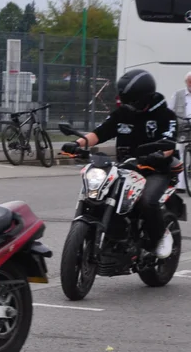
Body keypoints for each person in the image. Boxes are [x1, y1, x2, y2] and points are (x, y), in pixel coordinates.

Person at [63, 68, 180, 258]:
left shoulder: (165, 115)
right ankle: (113, 236)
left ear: (144, 97)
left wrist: (157, 155)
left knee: (147, 201)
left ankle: (159, 236)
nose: (127, 104)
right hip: (126, 168)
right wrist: (77, 144)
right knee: (98, 194)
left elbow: (169, 143)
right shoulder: (122, 113)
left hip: (155, 170)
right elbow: (100, 133)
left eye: (131, 100)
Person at [168, 71, 191, 192]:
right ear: (186, 82)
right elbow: (170, 110)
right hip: (183, 128)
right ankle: (181, 185)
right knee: (183, 156)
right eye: (189, 81)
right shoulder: (178, 94)